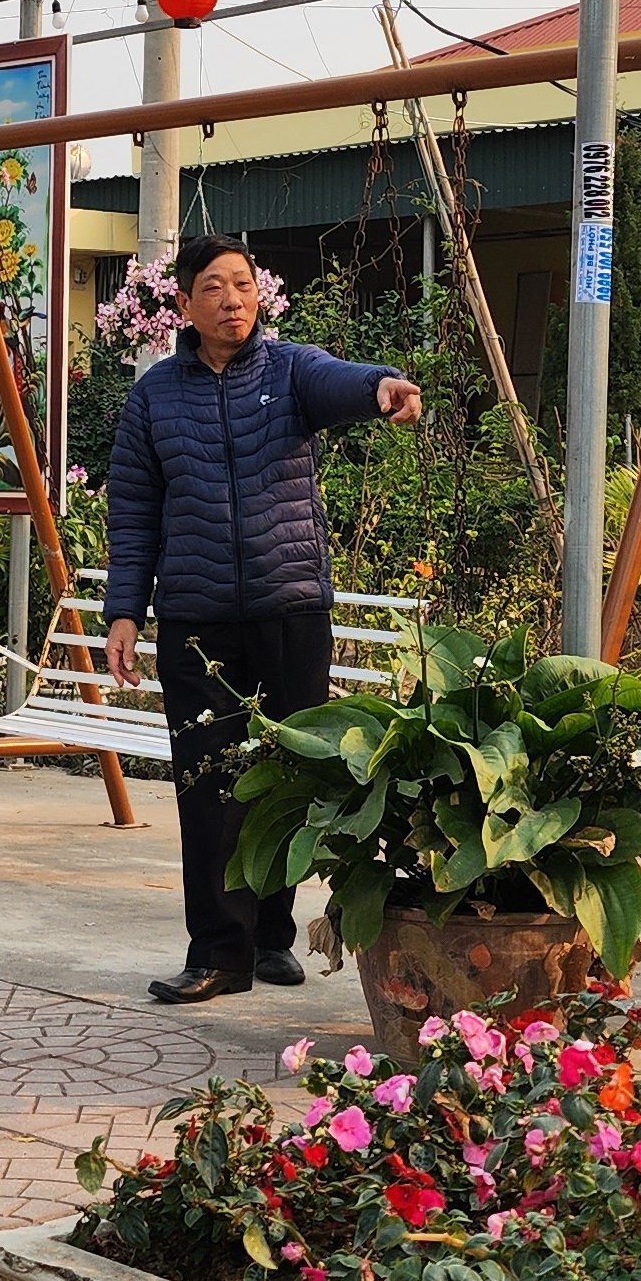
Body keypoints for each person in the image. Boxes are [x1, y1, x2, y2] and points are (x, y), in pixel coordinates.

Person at [103, 235, 424, 1003]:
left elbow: (338, 381)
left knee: (292, 781)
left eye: (242, 285)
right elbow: (134, 509)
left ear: (260, 296)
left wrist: (380, 387)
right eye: (212, 287)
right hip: (196, 620)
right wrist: (125, 611)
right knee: (207, 786)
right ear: (184, 304)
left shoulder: (289, 371)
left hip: (290, 610)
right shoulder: (155, 396)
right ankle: (219, 951)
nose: (230, 300)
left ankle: (273, 936)